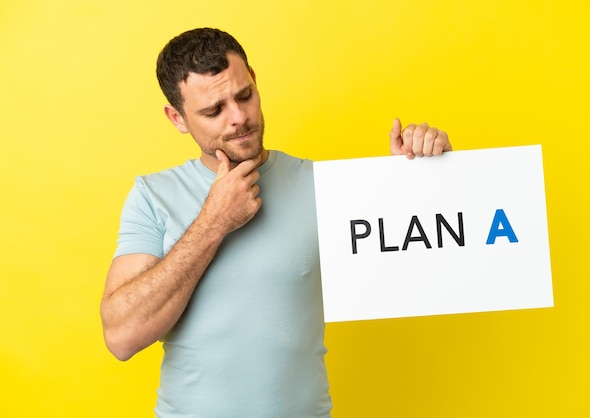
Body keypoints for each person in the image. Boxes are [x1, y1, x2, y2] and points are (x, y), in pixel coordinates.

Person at [100, 27, 452, 417]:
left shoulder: (323, 185)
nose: (238, 118)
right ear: (177, 118)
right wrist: (213, 222)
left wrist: (419, 177)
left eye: (244, 95)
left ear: (254, 79)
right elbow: (121, 336)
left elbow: (416, 266)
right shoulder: (153, 195)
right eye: (214, 110)